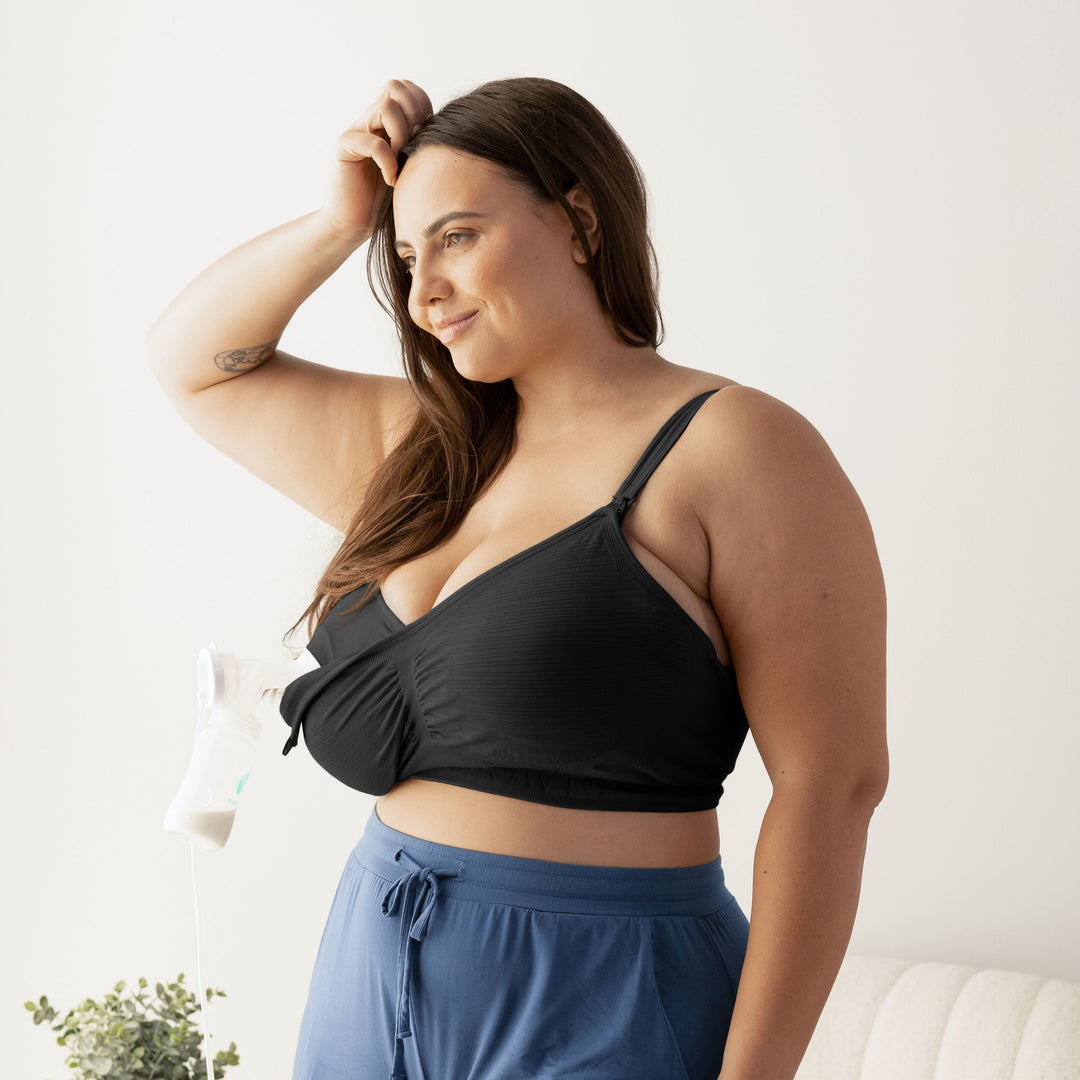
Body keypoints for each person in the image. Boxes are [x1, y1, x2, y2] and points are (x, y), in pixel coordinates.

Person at [148, 76, 887, 1080]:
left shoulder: (737, 449)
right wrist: (337, 223)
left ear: (579, 221)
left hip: (603, 998)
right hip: (370, 974)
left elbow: (831, 786)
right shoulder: (421, 447)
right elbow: (192, 361)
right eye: (406, 258)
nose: (423, 294)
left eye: (456, 237)